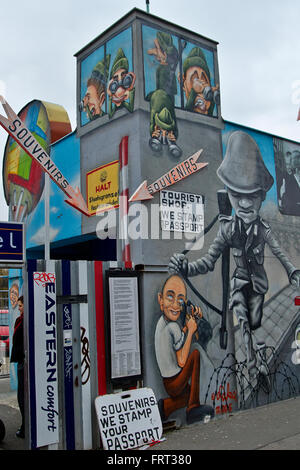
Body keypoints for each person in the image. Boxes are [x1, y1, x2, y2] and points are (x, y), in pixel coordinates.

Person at [169, 131, 300, 376]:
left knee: (256, 323)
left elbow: (280, 253)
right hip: (239, 284)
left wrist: (293, 271)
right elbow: (209, 260)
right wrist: (186, 267)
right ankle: (253, 365)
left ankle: (259, 357)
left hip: (259, 286)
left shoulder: (263, 230)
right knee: (242, 319)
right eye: (237, 195)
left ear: (262, 196)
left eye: (252, 195)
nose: (245, 204)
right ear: (228, 194)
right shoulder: (227, 230)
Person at [154, 274, 214, 424]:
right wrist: (192, 331)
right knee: (194, 354)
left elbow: (178, 339)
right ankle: (192, 408)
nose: (175, 305)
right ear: (160, 300)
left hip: (167, 381)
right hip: (173, 381)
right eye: (170, 297)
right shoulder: (172, 326)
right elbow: (181, 361)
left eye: (180, 299)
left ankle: (165, 408)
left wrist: (188, 325)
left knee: (188, 393)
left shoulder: (163, 323)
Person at [10, 295, 25, 438]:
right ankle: (25, 424)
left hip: (25, 361)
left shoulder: (26, 321)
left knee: (23, 396)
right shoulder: (19, 320)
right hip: (20, 360)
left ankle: (26, 426)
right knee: (21, 396)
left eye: (20, 306)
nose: (18, 308)